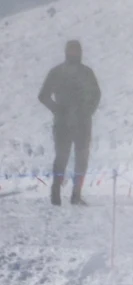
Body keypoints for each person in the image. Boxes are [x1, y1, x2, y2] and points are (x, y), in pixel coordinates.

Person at [38, 39, 101, 206]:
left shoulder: (87, 73)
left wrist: (87, 111)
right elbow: (43, 95)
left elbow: (96, 95)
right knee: (61, 159)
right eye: (71, 50)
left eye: (76, 50)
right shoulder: (57, 72)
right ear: (66, 51)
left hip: (83, 124)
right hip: (63, 124)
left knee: (82, 160)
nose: (74, 53)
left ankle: (76, 195)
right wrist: (58, 110)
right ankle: (55, 194)